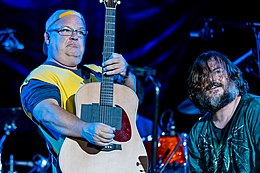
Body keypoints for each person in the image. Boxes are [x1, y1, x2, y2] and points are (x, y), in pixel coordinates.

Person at [19, 9, 136, 173]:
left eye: (80, 32)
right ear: (47, 37)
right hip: (78, 166)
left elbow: (130, 104)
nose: (74, 36)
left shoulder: (98, 71)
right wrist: (84, 129)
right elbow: (46, 113)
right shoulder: (40, 77)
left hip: (120, 164)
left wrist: (127, 73)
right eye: (65, 30)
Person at [186, 50, 260, 172]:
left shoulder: (255, 110)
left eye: (218, 71)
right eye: (203, 77)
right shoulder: (198, 132)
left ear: (232, 76)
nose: (212, 80)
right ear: (197, 88)